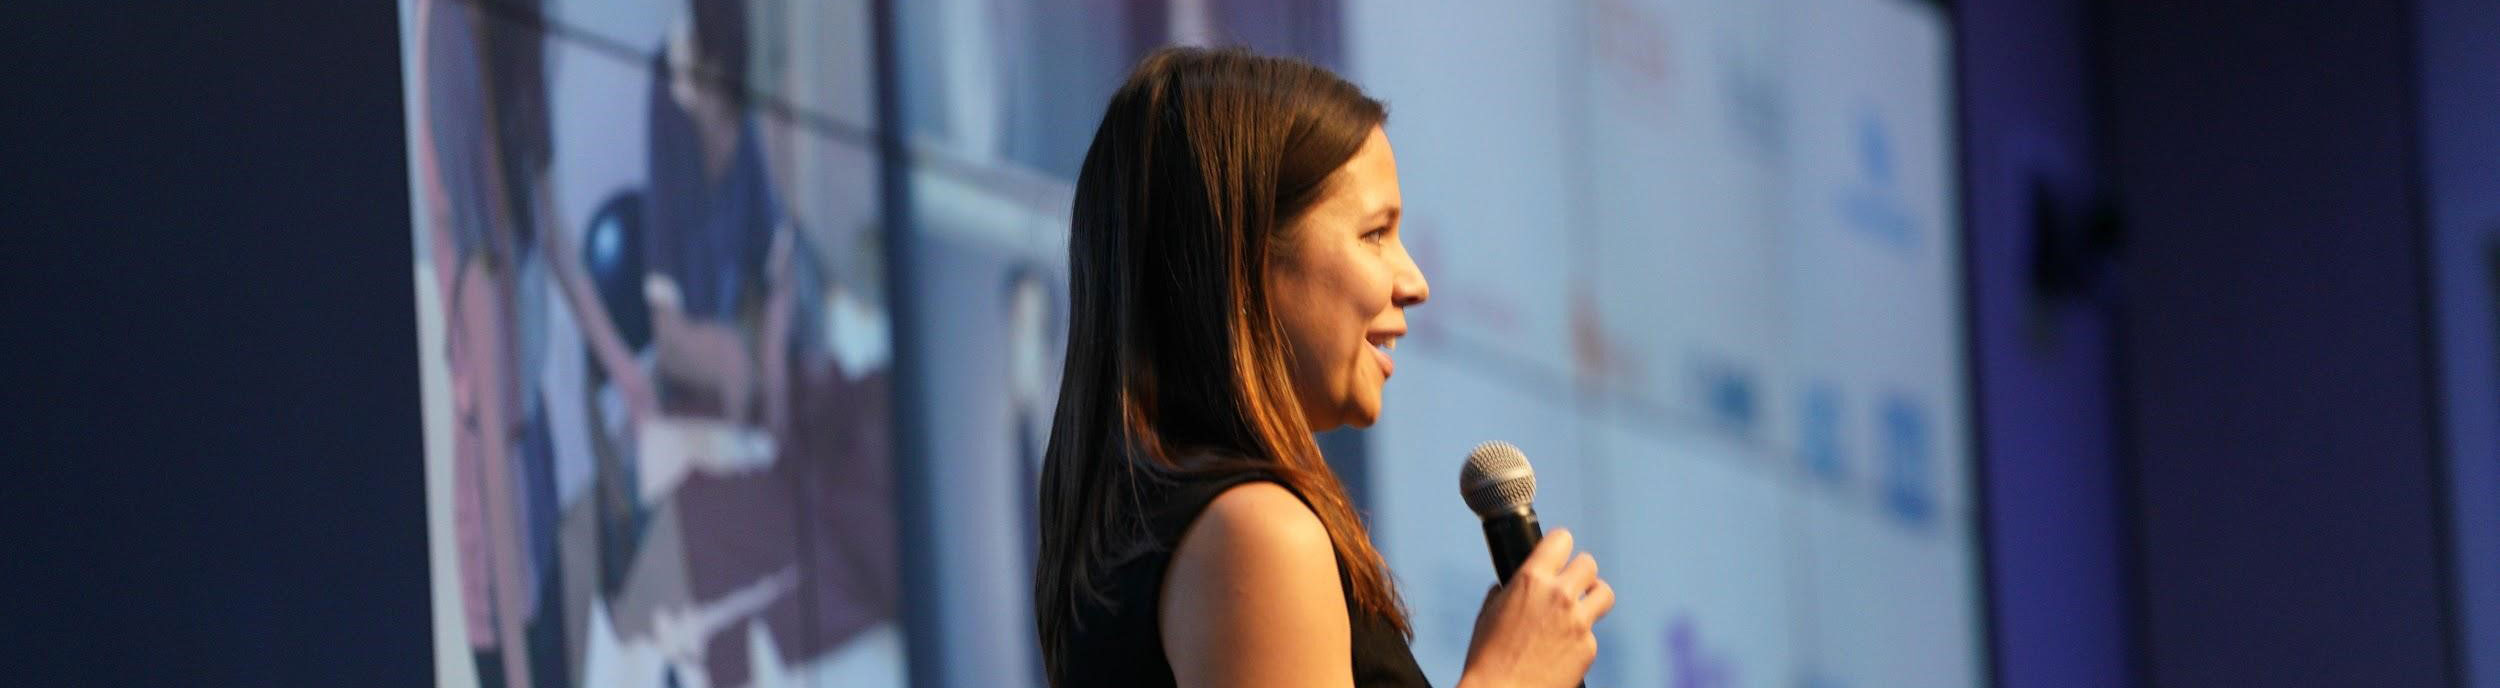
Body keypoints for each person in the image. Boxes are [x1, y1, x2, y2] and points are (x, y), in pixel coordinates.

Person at [1033, 47, 1616, 688]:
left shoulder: (1161, 536)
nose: (1414, 281)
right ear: (1246, 257)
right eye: (1375, 234)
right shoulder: (1257, 535)